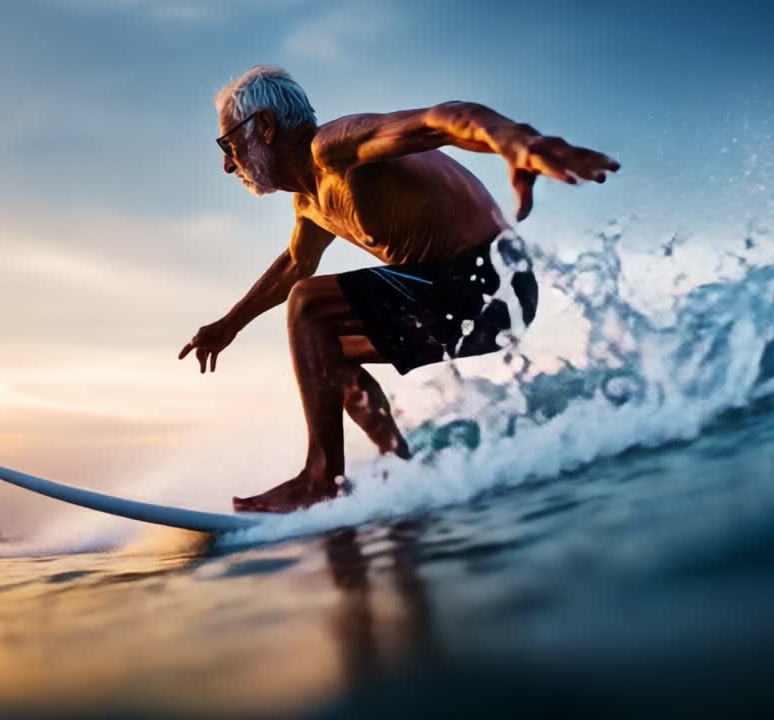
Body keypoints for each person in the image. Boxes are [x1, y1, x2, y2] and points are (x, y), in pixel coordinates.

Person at [179, 66, 619, 513]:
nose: (228, 163)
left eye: (228, 144)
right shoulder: (308, 202)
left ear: (266, 127)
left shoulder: (334, 149)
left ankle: (320, 478)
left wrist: (517, 140)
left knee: (309, 305)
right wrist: (226, 326)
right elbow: (295, 263)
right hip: (461, 300)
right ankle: (399, 469)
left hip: (493, 283)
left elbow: (440, 121)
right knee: (323, 350)